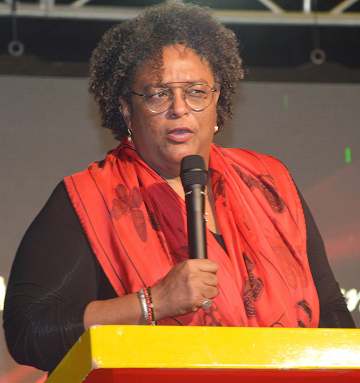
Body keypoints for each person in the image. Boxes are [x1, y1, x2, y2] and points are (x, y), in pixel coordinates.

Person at [3, 0, 355, 374]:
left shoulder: (270, 183)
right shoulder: (90, 198)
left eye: (196, 92)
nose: (179, 108)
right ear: (126, 109)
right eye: (158, 94)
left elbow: (331, 310)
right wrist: (152, 302)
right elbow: (30, 331)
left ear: (217, 101)